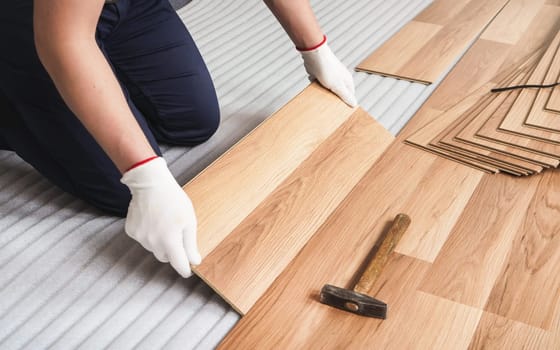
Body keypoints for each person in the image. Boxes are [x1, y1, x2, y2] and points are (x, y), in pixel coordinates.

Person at [0, 0, 357, 278]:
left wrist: (316, 50)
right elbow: (64, 38)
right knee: (121, 187)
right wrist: (145, 176)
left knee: (193, 121)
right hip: (25, 17)